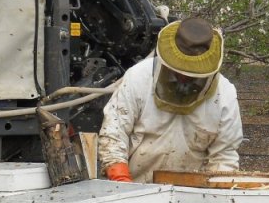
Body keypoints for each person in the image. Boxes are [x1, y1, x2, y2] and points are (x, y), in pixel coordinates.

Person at [98, 17, 244, 183]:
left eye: (191, 74)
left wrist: (215, 191)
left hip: (194, 191)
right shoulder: (138, 77)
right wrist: (121, 180)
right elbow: (114, 134)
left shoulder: (224, 95)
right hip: (134, 184)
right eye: (179, 72)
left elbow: (224, 156)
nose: (184, 78)